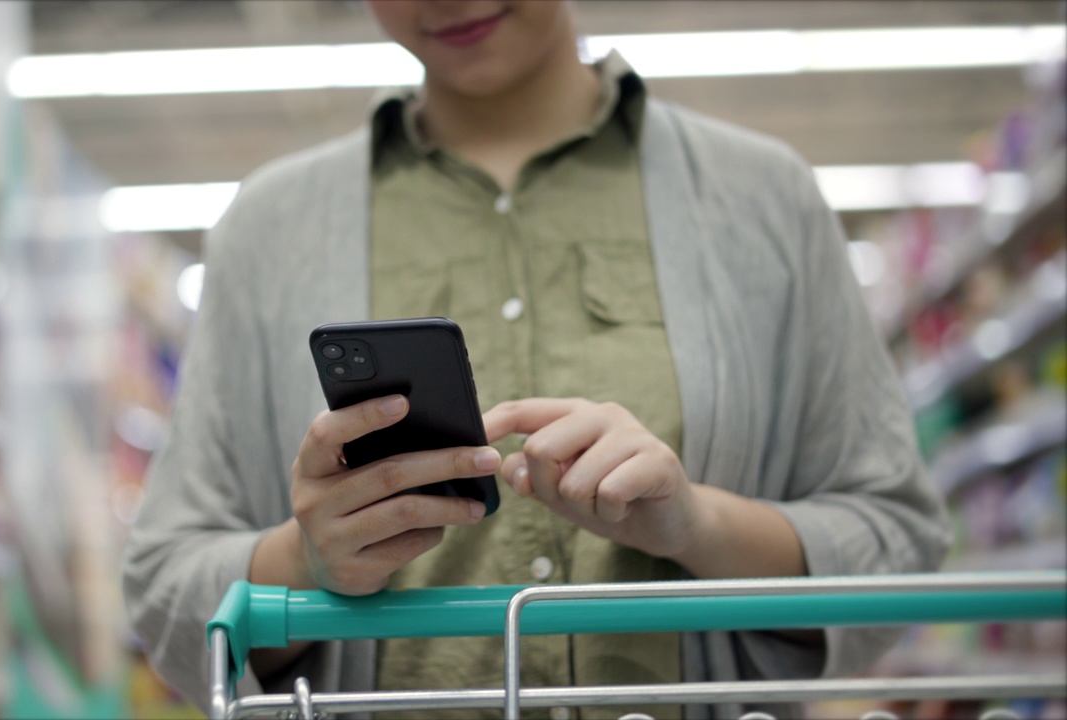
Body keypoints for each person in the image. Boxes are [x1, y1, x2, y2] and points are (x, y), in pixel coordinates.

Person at [122, 2, 951, 718]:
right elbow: (166, 588)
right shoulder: (268, 229)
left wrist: (695, 526)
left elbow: (893, 536)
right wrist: (307, 563)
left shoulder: (766, 199)